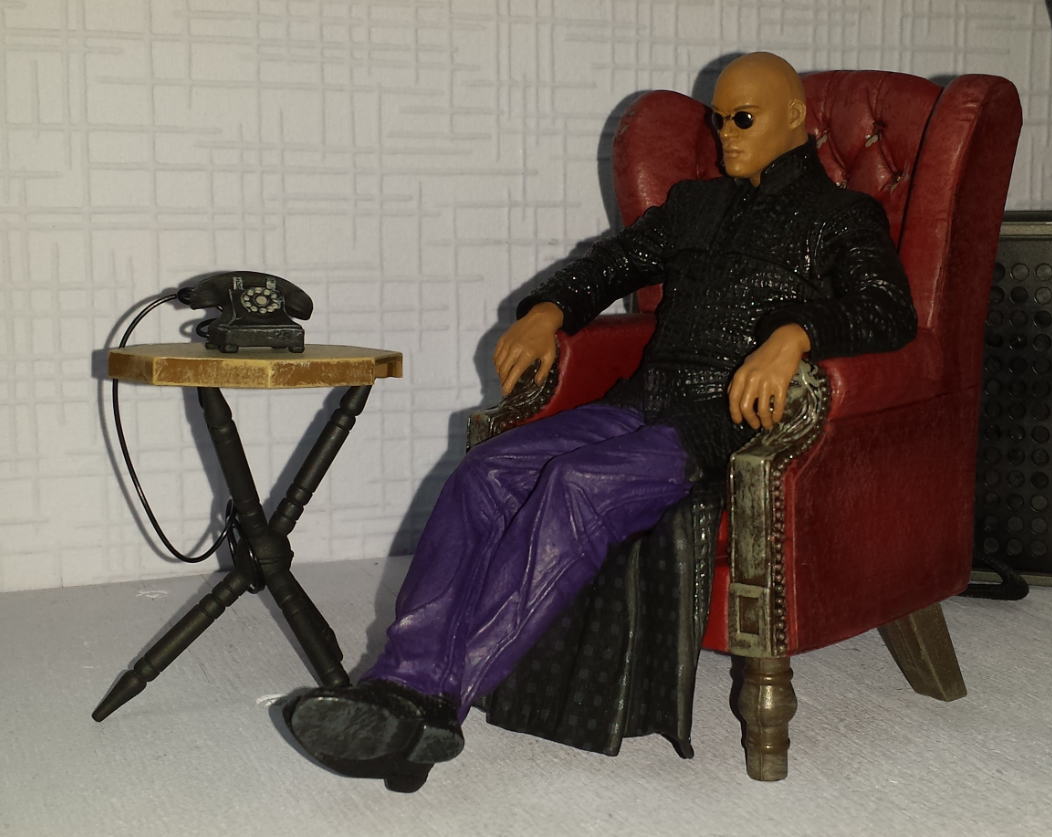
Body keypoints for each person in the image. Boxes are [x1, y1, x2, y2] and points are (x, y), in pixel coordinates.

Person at [284, 52, 917, 792]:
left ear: (795, 118)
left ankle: (434, 704)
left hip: (724, 417)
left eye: (742, 119)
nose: (725, 134)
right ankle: (401, 682)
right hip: (642, 396)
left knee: (578, 484)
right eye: (717, 119)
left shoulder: (841, 216)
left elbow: (888, 312)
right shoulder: (696, 203)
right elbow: (610, 263)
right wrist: (551, 310)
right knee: (487, 472)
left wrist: (795, 335)